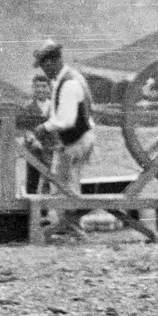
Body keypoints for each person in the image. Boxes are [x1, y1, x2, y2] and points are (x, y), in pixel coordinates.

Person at [32, 40, 95, 234]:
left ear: (52, 62)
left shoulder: (69, 83)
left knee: (63, 185)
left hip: (77, 140)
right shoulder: (68, 78)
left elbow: (66, 120)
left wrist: (45, 127)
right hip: (79, 138)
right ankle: (70, 226)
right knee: (67, 183)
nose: (44, 71)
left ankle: (71, 227)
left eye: (44, 66)